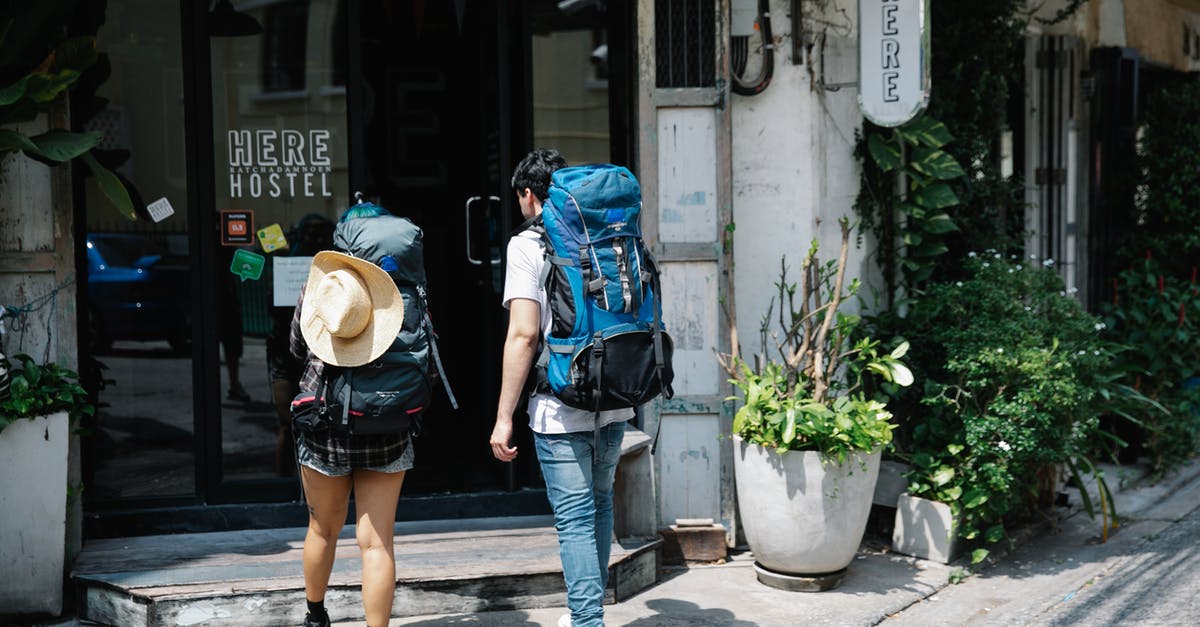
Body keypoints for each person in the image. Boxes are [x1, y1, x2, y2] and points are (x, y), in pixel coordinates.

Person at [489, 149, 632, 627]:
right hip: (613, 396)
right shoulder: (609, 234)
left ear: (528, 195)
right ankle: (589, 615)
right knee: (600, 503)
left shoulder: (526, 245)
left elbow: (524, 334)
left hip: (560, 402)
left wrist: (504, 414)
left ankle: (587, 621)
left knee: (574, 517)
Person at [289, 202, 412, 627]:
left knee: (322, 529)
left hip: (326, 425)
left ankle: (316, 617)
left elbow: (296, 347)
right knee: (377, 543)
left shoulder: (322, 286)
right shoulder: (405, 290)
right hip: (388, 423)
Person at [268, 213, 335, 476]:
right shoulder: (286, 260)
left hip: (321, 352)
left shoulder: (334, 266)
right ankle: (284, 484)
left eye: (319, 233)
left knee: (324, 422)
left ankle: (318, 485)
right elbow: (274, 308)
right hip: (286, 350)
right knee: (287, 424)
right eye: (310, 233)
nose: (314, 238)